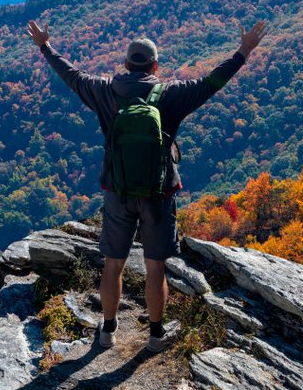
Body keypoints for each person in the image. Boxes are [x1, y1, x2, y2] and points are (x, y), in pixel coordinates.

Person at [25, 18, 268, 352]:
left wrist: (45, 46)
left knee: (113, 263)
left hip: (118, 191)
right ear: (155, 65)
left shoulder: (105, 90)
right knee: (156, 267)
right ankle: (155, 335)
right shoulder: (172, 95)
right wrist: (243, 51)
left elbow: (71, 75)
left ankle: (108, 330)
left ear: (125, 64)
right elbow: (213, 81)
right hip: (159, 192)